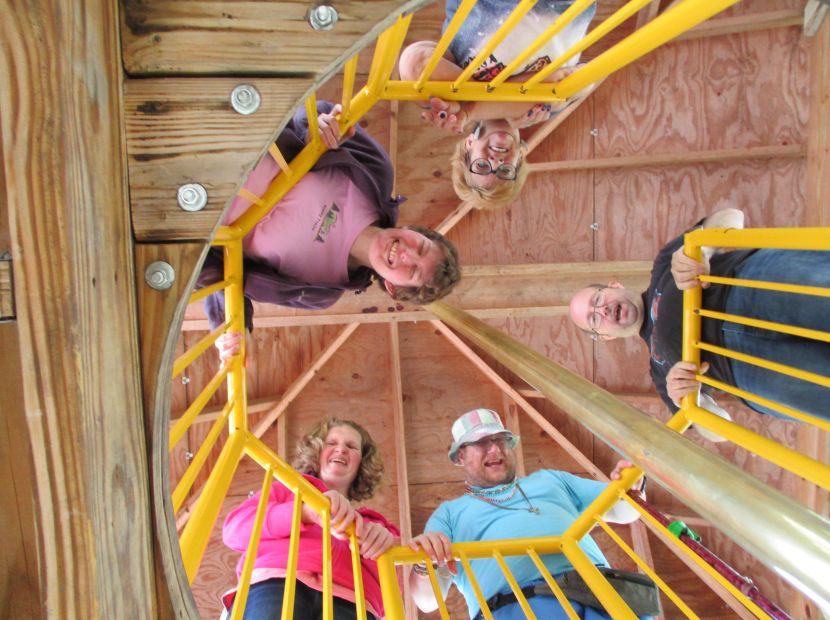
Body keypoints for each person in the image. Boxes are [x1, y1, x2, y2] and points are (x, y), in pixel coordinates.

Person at [197, 100, 461, 339]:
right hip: (229, 138)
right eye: (422, 247)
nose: (407, 254)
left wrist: (232, 328)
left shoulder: (320, 292)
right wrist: (319, 126)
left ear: (393, 287)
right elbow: (314, 111)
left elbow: (230, 281)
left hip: (195, 214)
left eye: (413, 271)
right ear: (415, 231)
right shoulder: (377, 174)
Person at [568, 208, 830, 423]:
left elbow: (732, 217)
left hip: (748, 286)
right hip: (745, 369)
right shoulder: (661, 376)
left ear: (615, 286)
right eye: (594, 319)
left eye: (597, 299)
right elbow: (719, 426)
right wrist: (692, 401)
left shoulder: (663, 265)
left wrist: (702, 249)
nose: (601, 310)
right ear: (605, 338)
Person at [408, 408, 652, 619]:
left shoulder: (551, 479)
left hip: (600, 593)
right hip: (516, 606)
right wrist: (422, 565)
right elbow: (428, 602)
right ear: (461, 455)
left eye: (500, 440)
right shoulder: (449, 514)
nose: (494, 449)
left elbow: (624, 511)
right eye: (482, 442)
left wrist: (632, 487)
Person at [398, 0, 597, 210]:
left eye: (482, 166)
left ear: (468, 147)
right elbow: (583, 79)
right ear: (519, 158)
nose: (496, 162)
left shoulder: (456, 98)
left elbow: (415, 60)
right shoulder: (546, 110)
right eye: (505, 171)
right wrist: (475, 109)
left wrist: (472, 105)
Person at [221, 417, 399, 619]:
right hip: (277, 582)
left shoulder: (372, 523)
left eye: (351, 446)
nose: (341, 449)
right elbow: (234, 531)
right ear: (316, 452)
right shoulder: (286, 491)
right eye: (331, 443)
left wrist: (381, 546)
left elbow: (391, 594)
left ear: (363, 462)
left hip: (353, 602)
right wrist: (304, 513)